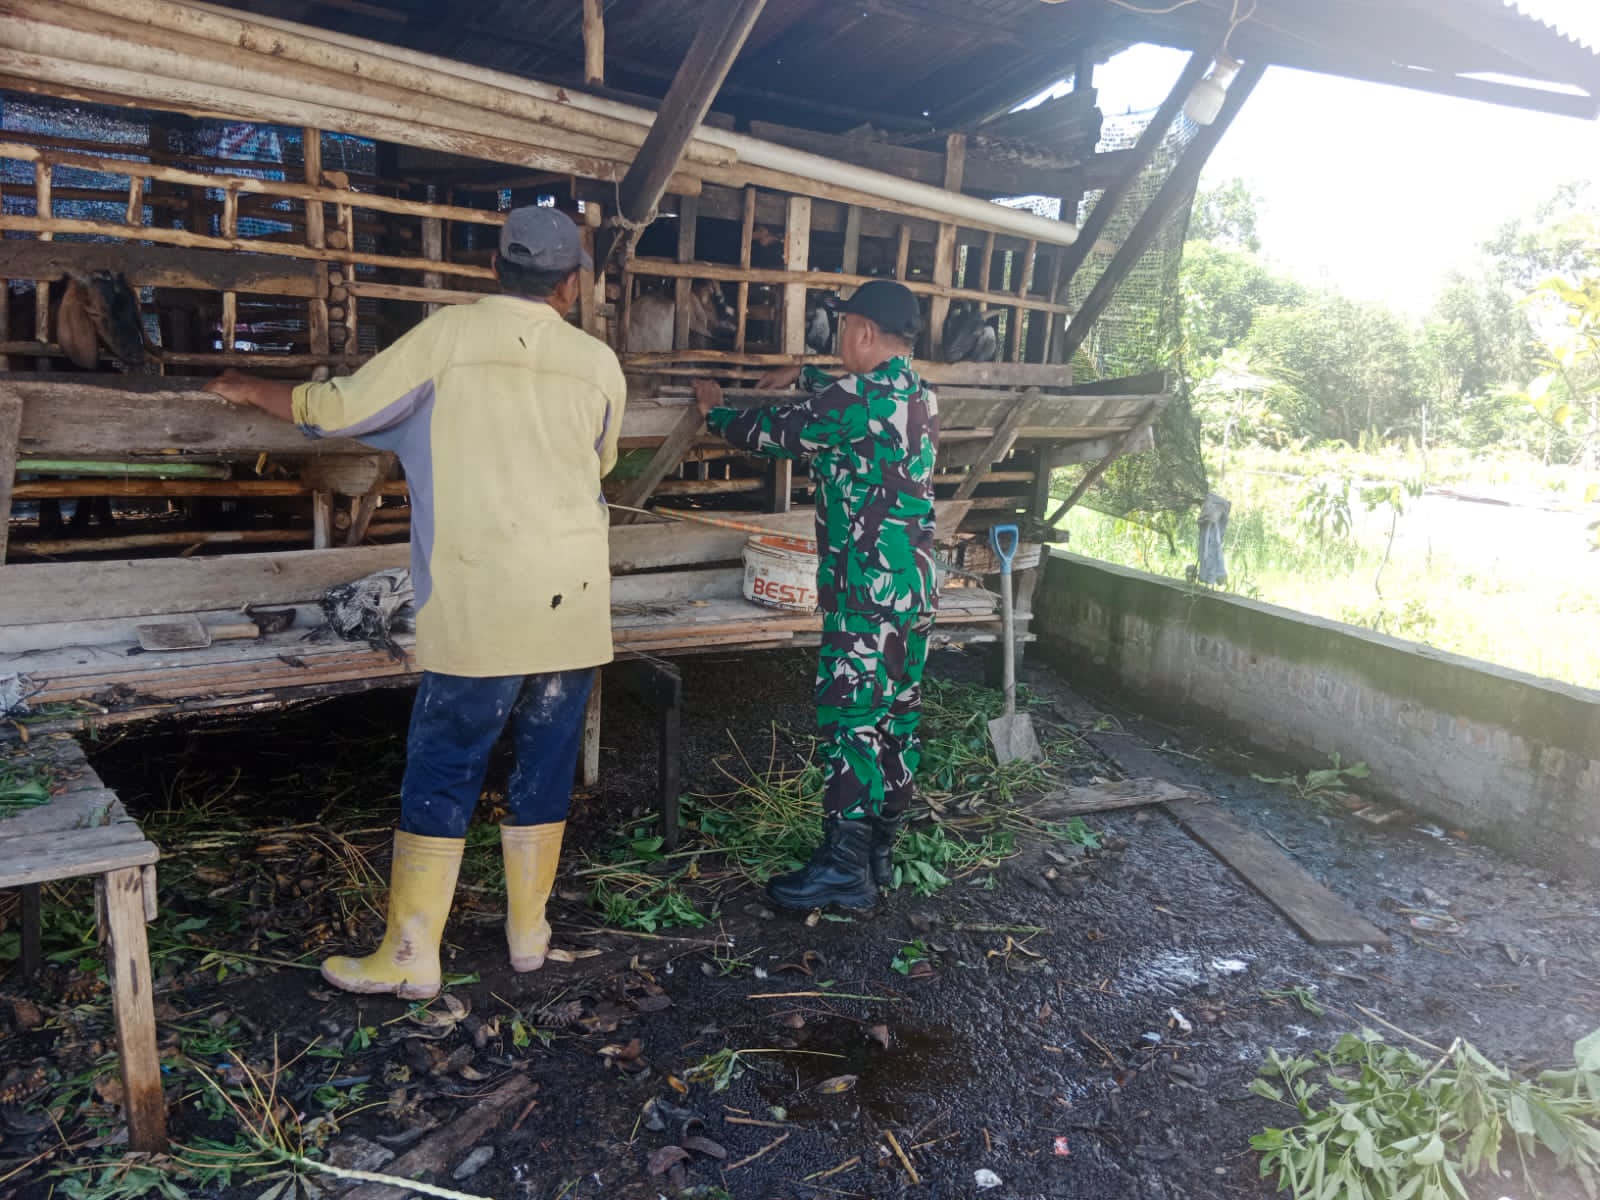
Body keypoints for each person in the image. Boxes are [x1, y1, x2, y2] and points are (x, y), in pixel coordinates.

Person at [209, 207, 625, 999]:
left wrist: (247, 386)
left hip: (479, 602)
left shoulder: (448, 339)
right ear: (572, 283)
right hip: (572, 602)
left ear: (492, 271)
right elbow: (597, 460)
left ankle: (409, 956)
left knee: (446, 765)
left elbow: (337, 410)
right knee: (543, 766)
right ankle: (529, 936)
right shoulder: (597, 362)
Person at [692, 280, 939, 911]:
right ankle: (879, 852)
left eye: (844, 330)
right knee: (895, 717)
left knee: (851, 719)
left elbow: (775, 433)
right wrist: (803, 371)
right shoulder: (919, 394)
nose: (840, 344)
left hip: (866, 589)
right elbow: (839, 403)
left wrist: (715, 410)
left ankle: (843, 872)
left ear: (860, 332)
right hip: (913, 586)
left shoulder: (850, 400)